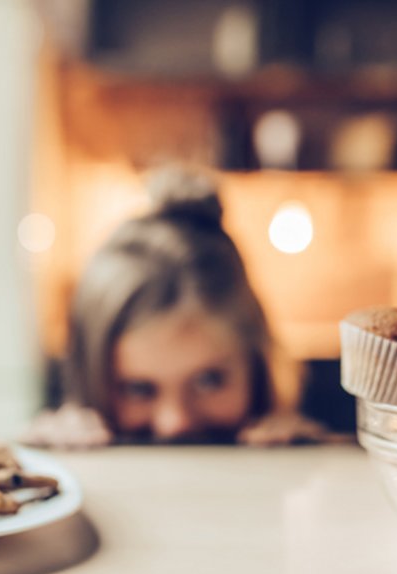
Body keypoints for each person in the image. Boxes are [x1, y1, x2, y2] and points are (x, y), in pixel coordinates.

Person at [21, 167, 329, 448]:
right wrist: (46, 464)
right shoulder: (57, 462)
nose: (175, 424)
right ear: (90, 376)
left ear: (257, 367)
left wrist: (303, 466)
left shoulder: (300, 459)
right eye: (139, 389)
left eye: (209, 380)